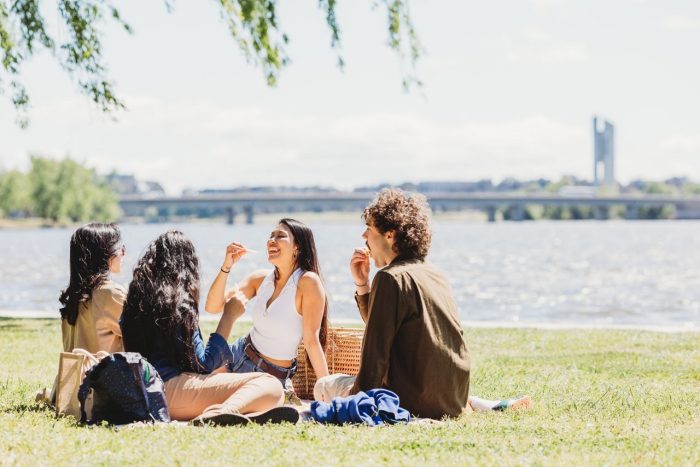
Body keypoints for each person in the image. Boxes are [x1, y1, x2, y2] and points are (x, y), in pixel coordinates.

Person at [314, 189, 532, 419]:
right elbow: (386, 322)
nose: (363, 236)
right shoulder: (435, 274)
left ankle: (479, 404)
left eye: (369, 228)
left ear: (390, 234)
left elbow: (375, 356)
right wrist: (362, 284)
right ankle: (479, 404)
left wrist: (358, 400)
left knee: (323, 385)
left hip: (408, 400)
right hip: (451, 398)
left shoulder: (390, 277)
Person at [120, 230, 298, 425]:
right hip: (168, 392)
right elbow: (204, 365)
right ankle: (222, 413)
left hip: (138, 390)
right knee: (270, 385)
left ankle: (232, 412)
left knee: (251, 388)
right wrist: (229, 317)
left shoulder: (136, 298)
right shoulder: (178, 303)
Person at [205, 218, 329, 389]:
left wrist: (327, 391)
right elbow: (212, 307)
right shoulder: (260, 279)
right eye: (271, 235)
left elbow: (311, 341)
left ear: (297, 247)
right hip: (236, 354)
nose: (272, 240)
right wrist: (227, 265)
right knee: (196, 386)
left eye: (280, 236)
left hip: (269, 376)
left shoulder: (307, 282)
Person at [58, 222, 127, 354]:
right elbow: (143, 335)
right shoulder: (110, 294)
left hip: (74, 374)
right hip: (104, 373)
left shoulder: (75, 293)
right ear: (105, 254)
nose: (123, 253)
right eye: (121, 249)